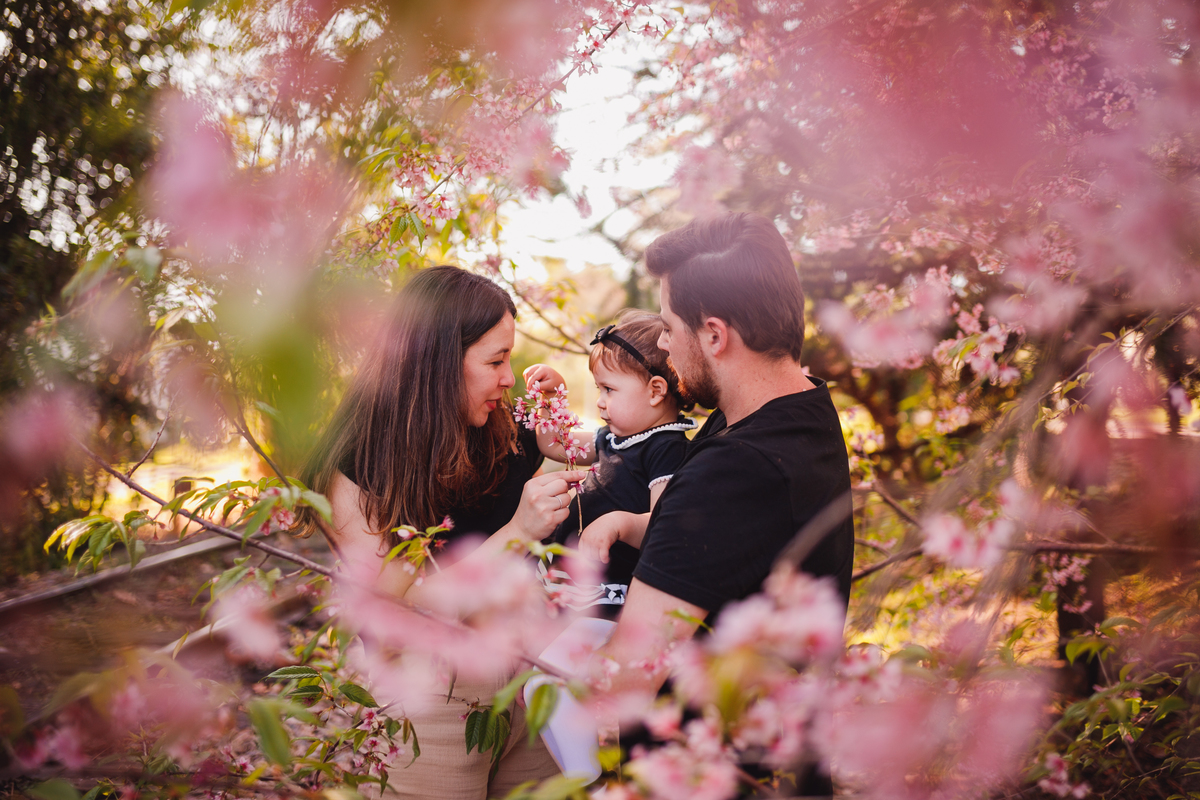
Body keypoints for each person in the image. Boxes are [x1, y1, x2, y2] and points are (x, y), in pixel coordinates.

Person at [592, 212, 855, 795]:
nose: (661, 343)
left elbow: (629, 675)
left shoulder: (733, 470)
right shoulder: (804, 411)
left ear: (713, 334)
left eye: (666, 326)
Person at [302, 265, 586, 800]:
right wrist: (517, 532)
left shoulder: (500, 426)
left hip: (524, 677)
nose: (508, 376)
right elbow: (388, 607)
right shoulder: (359, 461)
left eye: (510, 358)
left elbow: (579, 446)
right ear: (436, 362)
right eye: (496, 360)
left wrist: (558, 417)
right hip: (429, 696)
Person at [522, 310, 696, 619]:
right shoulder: (611, 438)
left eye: (609, 389)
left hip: (608, 594)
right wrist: (550, 399)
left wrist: (620, 524)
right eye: (598, 389)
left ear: (656, 391)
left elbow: (664, 524)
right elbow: (552, 444)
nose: (600, 401)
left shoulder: (666, 448)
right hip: (569, 579)